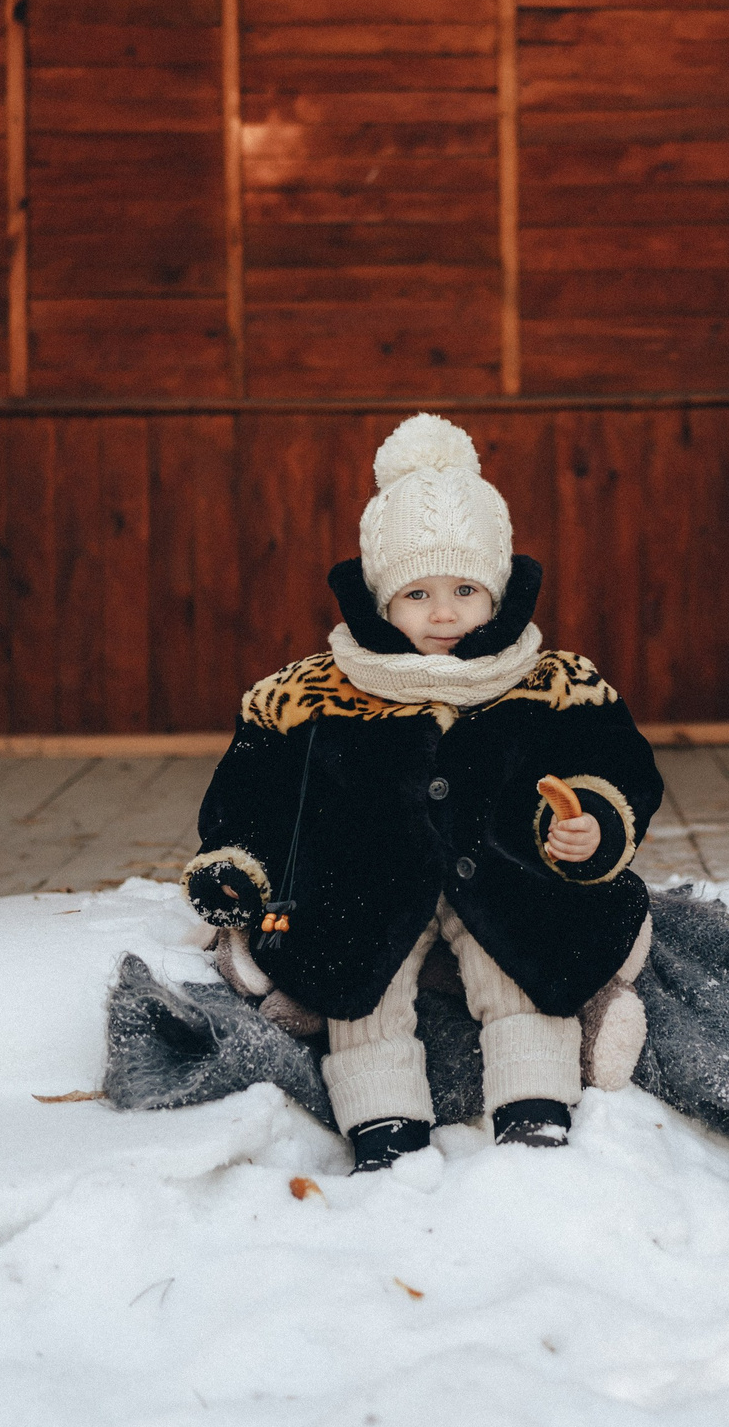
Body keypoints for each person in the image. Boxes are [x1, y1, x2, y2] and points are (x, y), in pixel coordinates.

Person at [180, 413, 662, 1172]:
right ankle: (385, 1129)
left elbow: (618, 761)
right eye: (418, 592)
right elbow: (253, 787)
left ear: (496, 592)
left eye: (465, 588)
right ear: (380, 600)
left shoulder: (552, 682)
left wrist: (594, 823)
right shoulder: (313, 691)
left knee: (525, 967)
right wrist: (236, 860)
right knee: (361, 984)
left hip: (510, 872)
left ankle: (534, 1112)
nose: (444, 613)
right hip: (369, 881)